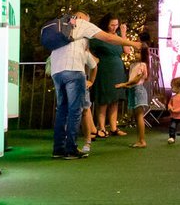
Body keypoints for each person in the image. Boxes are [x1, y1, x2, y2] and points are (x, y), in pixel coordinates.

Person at [50, 12, 99, 160]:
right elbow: (93, 63)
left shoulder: (60, 32)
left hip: (57, 72)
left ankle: (58, 148)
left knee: (62, 110)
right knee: (75, 111)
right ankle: (71, 149)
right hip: (74, 71)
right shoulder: (81, 36)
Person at [90, 14, 143, 139]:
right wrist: (94, 59)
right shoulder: (100, 36)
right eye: (112, 25)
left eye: (116, 25)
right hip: (104, 68)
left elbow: (127, 50)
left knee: (115, 98)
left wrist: (123, 33)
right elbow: (88, 48)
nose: (114, 27)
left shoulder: (118, 36)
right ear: (106, 24)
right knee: (104, 98)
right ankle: (101, 127)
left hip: (117, 68)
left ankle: (114, 127)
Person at [117, 41, 152, 148]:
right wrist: (127, 85)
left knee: (139, 116)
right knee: (137, 116)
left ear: (144, 54)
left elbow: (136, 80)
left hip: (138, 90)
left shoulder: (142, 65)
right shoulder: (134, 65)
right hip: (133, 90)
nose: (136, 54)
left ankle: (142, 141)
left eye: (139, 52)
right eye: (135, 52)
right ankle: (140, 140)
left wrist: (124, 84)